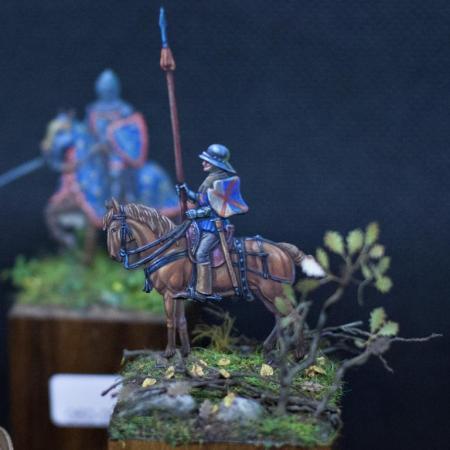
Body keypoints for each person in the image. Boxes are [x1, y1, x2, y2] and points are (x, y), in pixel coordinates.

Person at [174, 144, 248, 302]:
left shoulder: (220, 181)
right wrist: (186, 192)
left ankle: (203, 291)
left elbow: (214, 208)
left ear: (216, 163)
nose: (203, 163)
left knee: (201, 253)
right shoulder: (211, 179)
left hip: (214, 226)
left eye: (207, 161)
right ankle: (187, 284)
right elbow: (201, 200)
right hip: (202, 225)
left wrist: (196, 213)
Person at [86, 69, 147, 202]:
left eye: (109, 88)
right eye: (104, 87)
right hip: (98, 151)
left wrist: (114, 144)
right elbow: (88, 133)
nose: (107, 91)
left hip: (118, 152)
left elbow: (129, 133)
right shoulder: (93, 110)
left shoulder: (124, 109)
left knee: (117, 170)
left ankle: (122, 200)